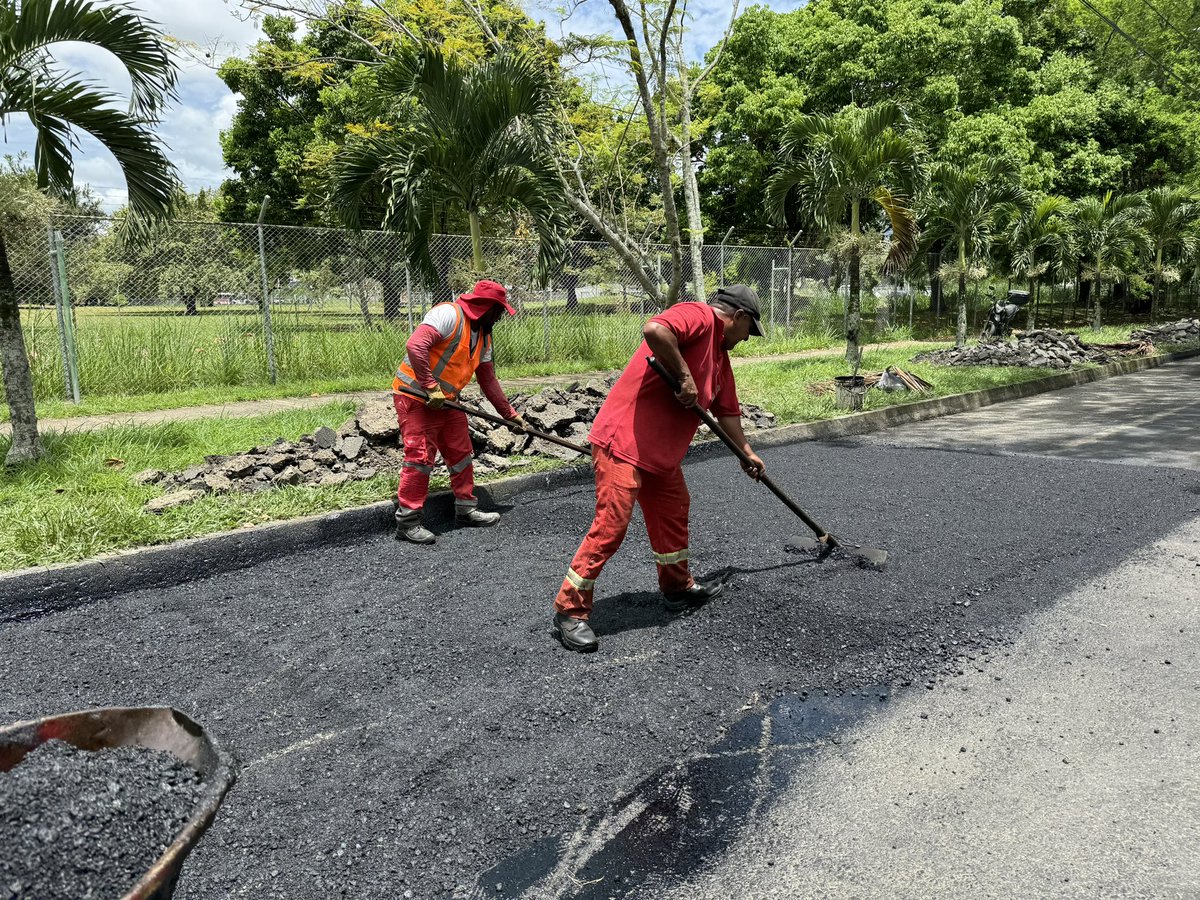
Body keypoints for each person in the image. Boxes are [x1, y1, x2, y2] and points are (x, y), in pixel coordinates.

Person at [552, 285, 767, 653]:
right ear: (739, 317)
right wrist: (684, 376)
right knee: (611, 527)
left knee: (673, 512)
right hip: (623, 443)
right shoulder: (699, 316)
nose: (746, 339)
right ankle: (570, 609)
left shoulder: (720, 359)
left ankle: (677, 588)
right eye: (749, 331)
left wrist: (745, 452)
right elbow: (655, 330)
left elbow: (727, 413)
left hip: (660, 455)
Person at [391, 279, 527, 545]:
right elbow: (415, 346)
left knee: (461, 453)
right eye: (498, 311)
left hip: (447, 401)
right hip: (415, 398)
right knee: (419, 458)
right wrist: (430, 387)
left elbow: (488, 380)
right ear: (485, 308)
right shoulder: (447, 315)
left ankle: (466, 509)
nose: (500, 317)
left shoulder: (484, 336)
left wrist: (510, 415)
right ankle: (407, 523)